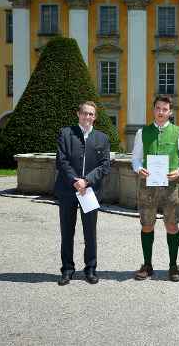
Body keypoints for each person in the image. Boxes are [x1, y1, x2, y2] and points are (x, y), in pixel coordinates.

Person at [131, 96, 179, 282]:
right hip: (147, 185)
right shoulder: (142, 132)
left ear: (170, 112)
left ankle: (173, 265)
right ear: (153, 109)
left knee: (172, 225)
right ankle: (147, 264)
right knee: (147, 225)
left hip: (170, 184)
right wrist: (138, 168)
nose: (161, 112)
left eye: (165, 109)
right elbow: (136, 157)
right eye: (158, 108)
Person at [54, 101, 111, 286]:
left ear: (95, 117)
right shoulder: (66, 133)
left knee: (90, 232)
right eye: (84, 113)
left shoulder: (102, 138)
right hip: (68, 189)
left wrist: (86, 181)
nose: (87, 117)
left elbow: (104, 165)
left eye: (91, 114)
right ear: (78, 114)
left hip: (89, 191)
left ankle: (91, 268)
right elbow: (61, 161)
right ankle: (67, 269)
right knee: (67, 232)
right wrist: (75, 181)